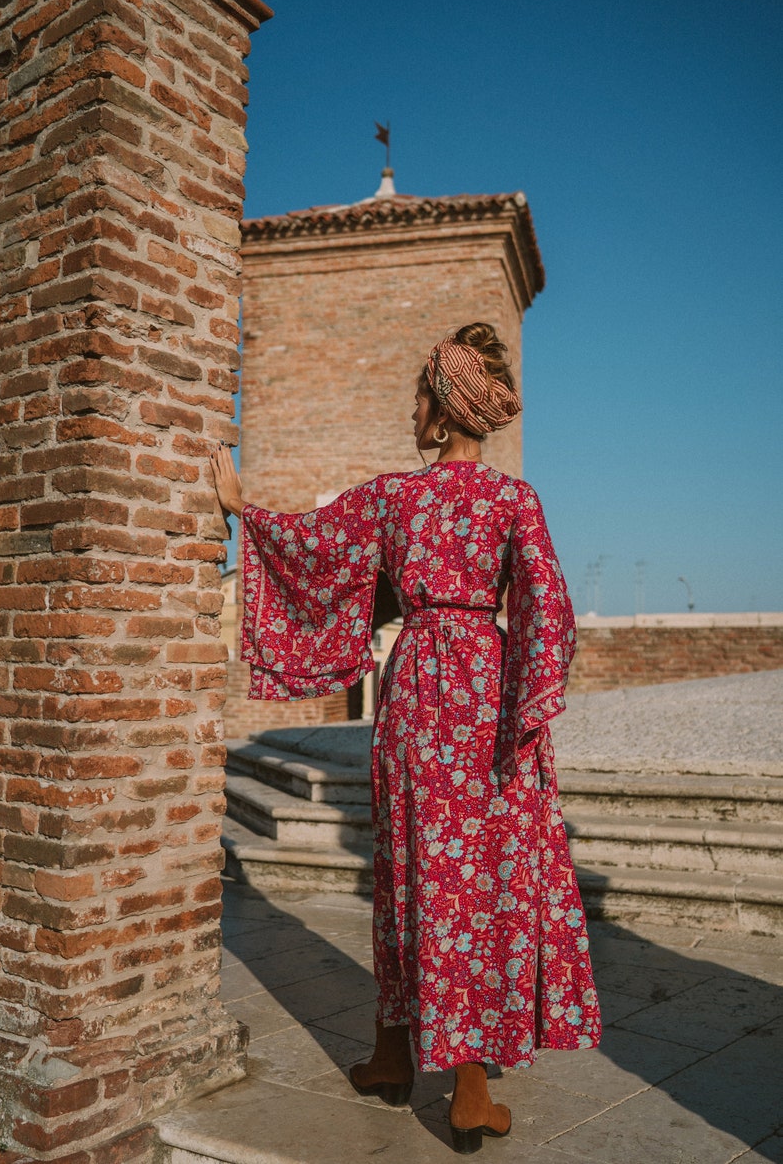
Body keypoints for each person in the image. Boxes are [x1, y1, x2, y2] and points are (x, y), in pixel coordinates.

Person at [210, 322, 601, 1155]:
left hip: (414, 689)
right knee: (475, 880)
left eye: (422, 395)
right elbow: (551, 609)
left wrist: (246, 510)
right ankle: (434, 1073)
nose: (415, 409)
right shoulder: (512, 500)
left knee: (408, 867)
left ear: (440, 410)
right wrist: (529, 703)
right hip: (486, 697)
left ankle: (424, 1062)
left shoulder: (396, 497)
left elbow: (317, 550)